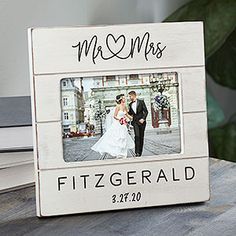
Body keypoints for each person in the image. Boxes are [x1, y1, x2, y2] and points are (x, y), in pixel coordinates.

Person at [91, 94, 135, 158]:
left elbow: (127, 114)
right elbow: (114, 116)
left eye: (124, 98)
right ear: (120, 100)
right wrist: (120, 119)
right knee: (117, 138)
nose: (124, 99)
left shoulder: (125, 106)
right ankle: (118, 153)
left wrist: (132, 118)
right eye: (123, 98)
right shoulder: (118, 107)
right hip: (117, 124)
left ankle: (123, 153)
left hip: (123, 125)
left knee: (123, 137)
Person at [128, 91, 148, 157]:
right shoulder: (130, 104)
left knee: (141, 137)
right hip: (135, 122)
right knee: (137, 136)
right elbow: (130, 113)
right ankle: (137, 152)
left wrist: (143, 118)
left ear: (134, 95)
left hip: (142, 122)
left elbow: (146, 111)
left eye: (130, 96)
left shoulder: (141, 102)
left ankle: (140, 152)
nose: (129, 97)